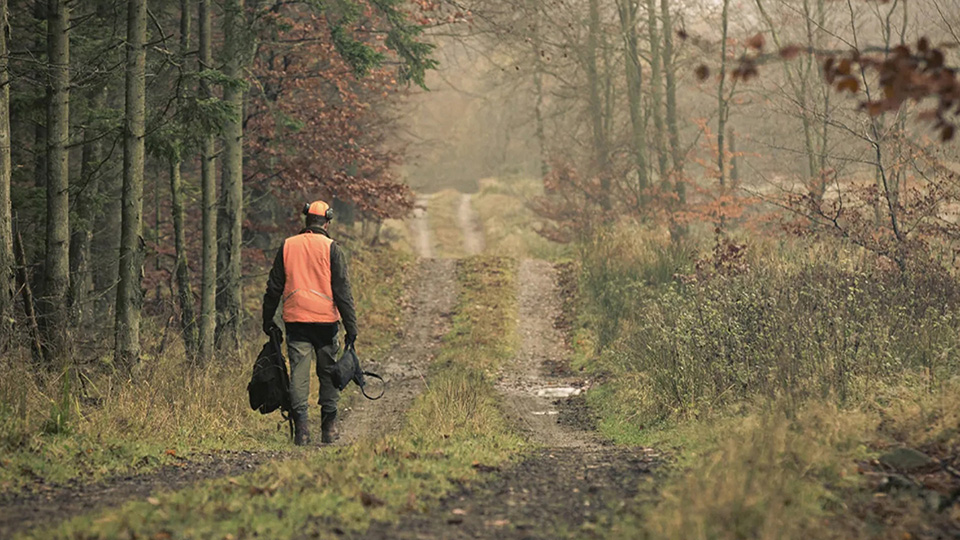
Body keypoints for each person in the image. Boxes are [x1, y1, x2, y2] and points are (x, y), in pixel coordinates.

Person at [262, 200, 358, 446]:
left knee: (299, 375)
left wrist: (267, 319)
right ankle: (329, 427)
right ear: (327, 222)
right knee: (328, 373)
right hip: (326, 323)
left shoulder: (288, 246)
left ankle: (302, 430)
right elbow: (342, 292)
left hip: (297, 322)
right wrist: (351, 327)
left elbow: (273, 288)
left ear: (307, 221)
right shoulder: (331, 248)